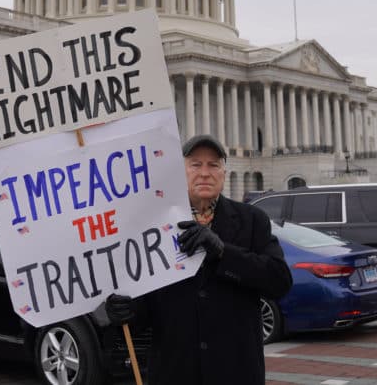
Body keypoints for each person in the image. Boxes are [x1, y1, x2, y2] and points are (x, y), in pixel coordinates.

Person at [103, 134, 292, 385]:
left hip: (235, 371)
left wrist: (223, 252)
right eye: (195, 165)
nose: (204, 173)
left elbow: (279, 280)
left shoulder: (252, 220)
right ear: (181, 173)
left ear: (224, 173)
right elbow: (146, 306)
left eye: (213, 165)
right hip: (175, 372)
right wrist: (127, 312)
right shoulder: (155, 225)